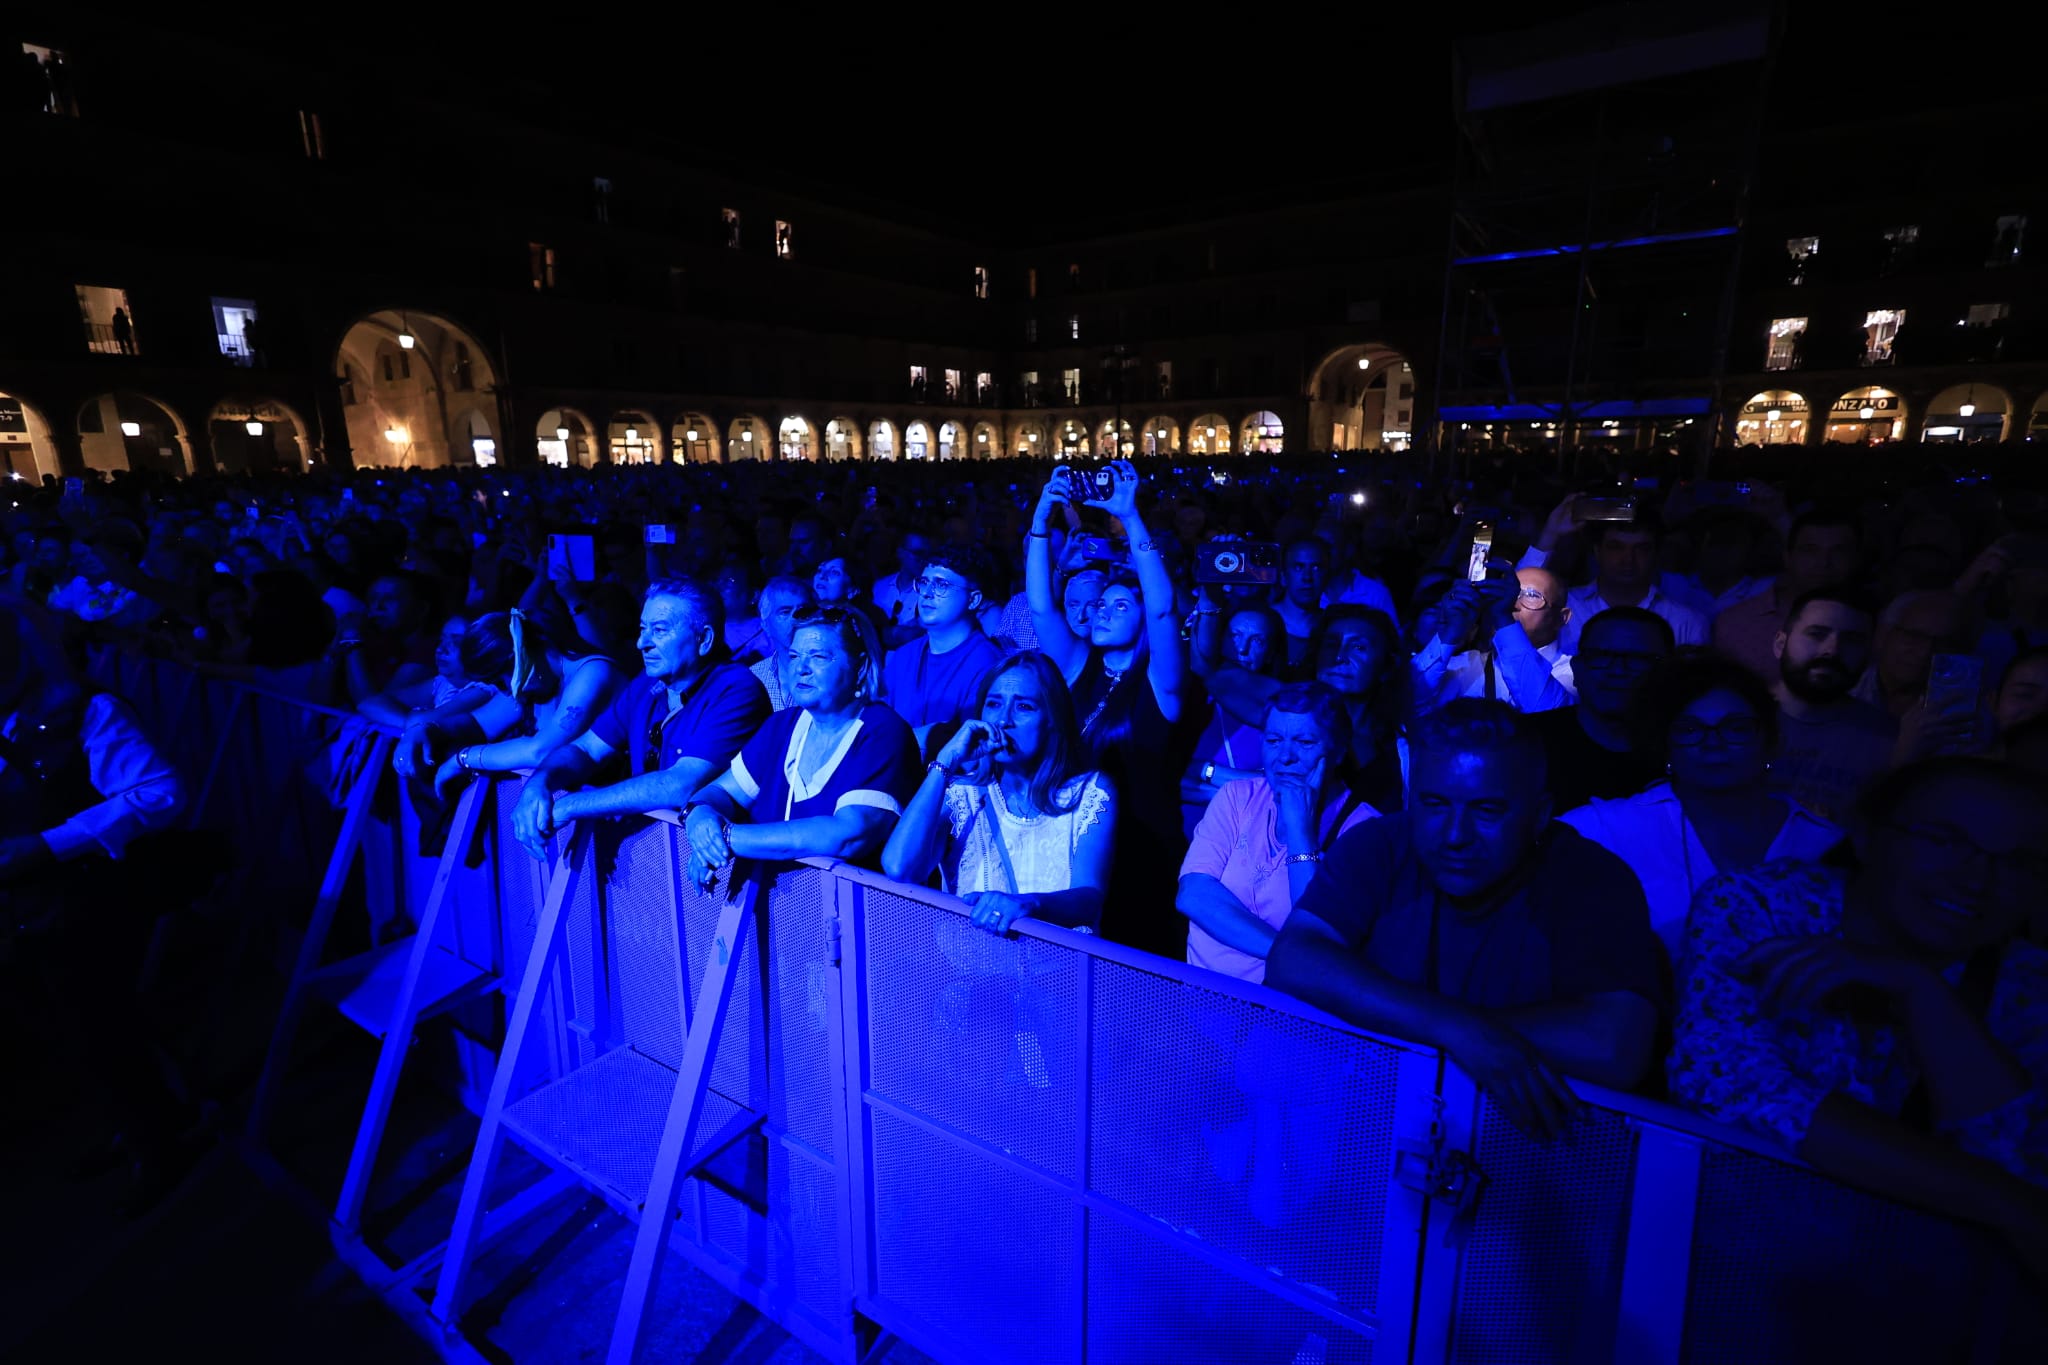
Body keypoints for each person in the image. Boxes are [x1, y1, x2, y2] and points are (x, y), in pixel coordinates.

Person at [1667, 758, 2048, 1266]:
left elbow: (2023, 1154)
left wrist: (1922, 990)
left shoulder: (2027, 983)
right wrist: (2004, 1202)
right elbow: (1727, 1085)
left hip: (1932, 1291)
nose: (1977, 878)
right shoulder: (1763, 908)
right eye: (1944, 840)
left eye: (2015, 861)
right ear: (1867, 836)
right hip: (1736, 1258)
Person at [1267, 700, 1666, 1139]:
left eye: (1487, 811)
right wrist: (1459, 1029)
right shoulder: (1380, 845)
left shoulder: (1591, 878)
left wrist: (1446, 1028)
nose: (1456, 836)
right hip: (1380, 1138)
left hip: (1533, 1156)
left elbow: (1616, 1046)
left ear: (1538, 814)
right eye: (1435, 806)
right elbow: (1294, 957)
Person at [0, 598, 191, 1211]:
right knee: (78, 1029)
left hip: (84, 900)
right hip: (28, 904)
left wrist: (49, 844)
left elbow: (161, 791)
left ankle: (155, 1145)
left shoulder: (90, 710)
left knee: (100, 1028)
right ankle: (140, 1125)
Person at [1563, 652, 1841, 962]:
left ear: (1769, 740)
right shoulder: (1607, 829)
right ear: (1665, 744)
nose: (1713, 743)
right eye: (1691, 730)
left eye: (1735, 728)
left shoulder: (1825, 844)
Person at [1025, 462, 1195, 956]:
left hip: (1143, 852)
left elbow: (1164, 608)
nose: (1102, 610)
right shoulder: (1079, 666)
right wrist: (1043, 516)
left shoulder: (1162, 684)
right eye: (1102, 604)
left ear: (1143, 624)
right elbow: (1041, 607)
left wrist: (1131, 519)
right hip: (1073, 841)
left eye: (1121, 606)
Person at [508, 580, 769, 857]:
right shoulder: (646, 684)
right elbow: (586, 749)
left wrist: (570, 805)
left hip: (717, 865)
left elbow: (680, 785)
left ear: (704, 640)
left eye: (659, 630)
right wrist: (540, 782)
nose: (642, 643)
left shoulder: (736, 689)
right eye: (643, 629)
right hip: (655, 858)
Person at [683, 604, 920, 883]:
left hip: (853, 918)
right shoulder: (781, 725)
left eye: (818, 657)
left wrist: (724, 839)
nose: (801, 669)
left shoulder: (884, 731)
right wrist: (700, 819)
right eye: (794, 656)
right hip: (779, 912)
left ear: (860, 667)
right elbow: (722, 791)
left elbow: (847, 835)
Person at [882, 651, 1114, 933]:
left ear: (1052, 719)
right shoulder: (962, 795)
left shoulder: (1087, 793)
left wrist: (1030, 905)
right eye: (993, 704)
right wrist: (945, 762)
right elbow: (899, 868)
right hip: (969, 971)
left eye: (1024, 707)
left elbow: (1090, 899)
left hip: (1056, 972)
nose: (1003, 720)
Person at [1178, 683, 1380, 983]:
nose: (1285, 756)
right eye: (1273, 740)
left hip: (1283, 1011)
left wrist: (1300, 831)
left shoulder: (1365, 830)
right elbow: (1193, 896)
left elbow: (1317, 932)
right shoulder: (1238, 797)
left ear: (1337, 751)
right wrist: (1291, 951)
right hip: (1199, 999)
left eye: (1305, 742)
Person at [1203, 604, 1408, 816]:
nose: (1339, 656)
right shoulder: (1289, 708)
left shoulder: (1402, 743)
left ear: (1387, 665)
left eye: (1358, 647)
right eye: (1331, 644)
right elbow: (1210, 672)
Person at [429, 597, 627, 796]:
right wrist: (427, 730)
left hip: (630, 816)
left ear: (519, 659)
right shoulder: (536, 682)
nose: (505, 691)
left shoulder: (593, 673)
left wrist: (462, 759)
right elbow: (477, 724)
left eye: (500, 681)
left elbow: (540, 751)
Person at [1525, 606, 1674, 813]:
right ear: (1577, 668)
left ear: (1668, 671)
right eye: (1602, 656)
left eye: (1638, 659)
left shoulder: (1690, 746)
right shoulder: (1526, 743)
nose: (1618, 670)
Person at [1770, 587, 1895, 822]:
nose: (1832, 650)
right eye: (1816, 634)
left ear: (1868, 656)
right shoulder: (1733, 719)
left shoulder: (1888, 738)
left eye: (1852, 641)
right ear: (1780, 644)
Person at [1713, 508, 1863, 681]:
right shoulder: (1735, 623)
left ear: (1856, 559)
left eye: (1839, 551)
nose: (1824, 562)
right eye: (1810, 550)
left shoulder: (1878, 624)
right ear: (1787, 557)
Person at [881, 543, 1004, 745]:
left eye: (941, 585)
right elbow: (876, 721)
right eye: (924, 582)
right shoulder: (906, 655)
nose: (927, 593)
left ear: (973, 600)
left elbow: (969, 746)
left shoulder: (989, 664)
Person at [1180, 603, 1285, 832]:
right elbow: (1170, 776)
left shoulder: (1282, 709)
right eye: (1234, 635)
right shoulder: (1190, 698)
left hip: (1250, 836)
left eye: (1257, 640)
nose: (1243, 649)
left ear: (1271, 654)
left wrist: (1207, 771)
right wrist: (1238, 790)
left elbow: (1278, 789)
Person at [1413, 566, 1575, 712]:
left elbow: (1547, 712)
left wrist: (1504, 619)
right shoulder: (1467, 665)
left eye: (1531, 595)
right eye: (1510, 594)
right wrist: (1449, 634)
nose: (1512, 603)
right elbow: (1410, 702)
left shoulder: (1573, 672)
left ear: (1562, 617)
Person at [1853, 589, 1975, 720]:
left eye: (1942, 643)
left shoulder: (1962, 714)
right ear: (1883, 634)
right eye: (1914, 636)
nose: (1925, 652)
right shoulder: (1847, 687)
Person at [748, 575, 813, 711]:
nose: (795, 618)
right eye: (785, 612)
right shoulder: (755, 676)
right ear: (765, 624)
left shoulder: (825, 671)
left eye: (803, 611)